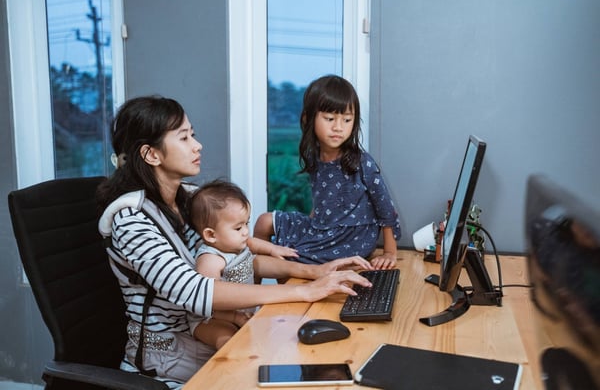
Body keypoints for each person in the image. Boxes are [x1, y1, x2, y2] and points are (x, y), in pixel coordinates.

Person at [96, 95, 373, 389]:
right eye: (184, 137)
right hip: (165, 357)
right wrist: (304, 292)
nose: (197, 145)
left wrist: (313, 272)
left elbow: (238, 256)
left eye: (193, 134)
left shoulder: (189, 198)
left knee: (315, 359)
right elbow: (195, 290)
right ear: (152, 154)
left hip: (204, 332)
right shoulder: (131, 220)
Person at [254, 75, 402, 269]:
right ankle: (254, 291)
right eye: (330, 118)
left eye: (347, 120)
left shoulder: (361, 162)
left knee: (286, 258)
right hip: (322, 226)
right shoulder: (315, 157)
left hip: (350, 238)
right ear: (308, 118)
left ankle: (290, 292)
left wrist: (390, 252)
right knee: (264, 222)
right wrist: (310, 228)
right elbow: (322, 199)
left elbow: (385, 207)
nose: (338, 127)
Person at [187, 179, 269, 350]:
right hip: (210, 319)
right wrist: (234, 318)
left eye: (246, 223)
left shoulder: (235, 247)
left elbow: (255, 248)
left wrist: (274, 249)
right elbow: (209, 302)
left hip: (239, 313)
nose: (246, 231)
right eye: (238, 228)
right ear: (211, 235)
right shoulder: (210, 260)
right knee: (228, 339)